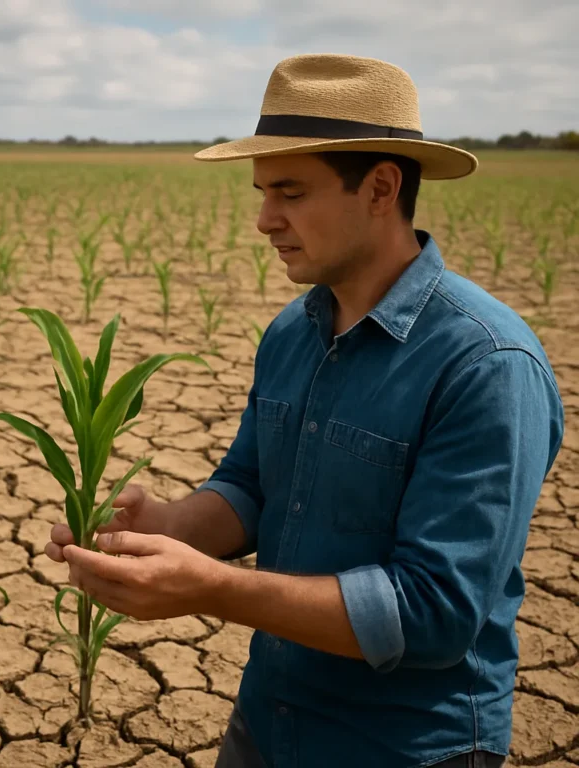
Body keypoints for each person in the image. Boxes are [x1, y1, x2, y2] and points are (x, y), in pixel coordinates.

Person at [44, 54, 565, 767]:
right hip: (268, 721)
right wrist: (167, 525)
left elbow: (433, 611)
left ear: (381, 187)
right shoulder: (294, 331)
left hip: (404, 748)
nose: (264, 220)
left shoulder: (487, 366)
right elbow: (253, 487)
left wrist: (210, 588)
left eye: (289, 192)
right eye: (261, 192)